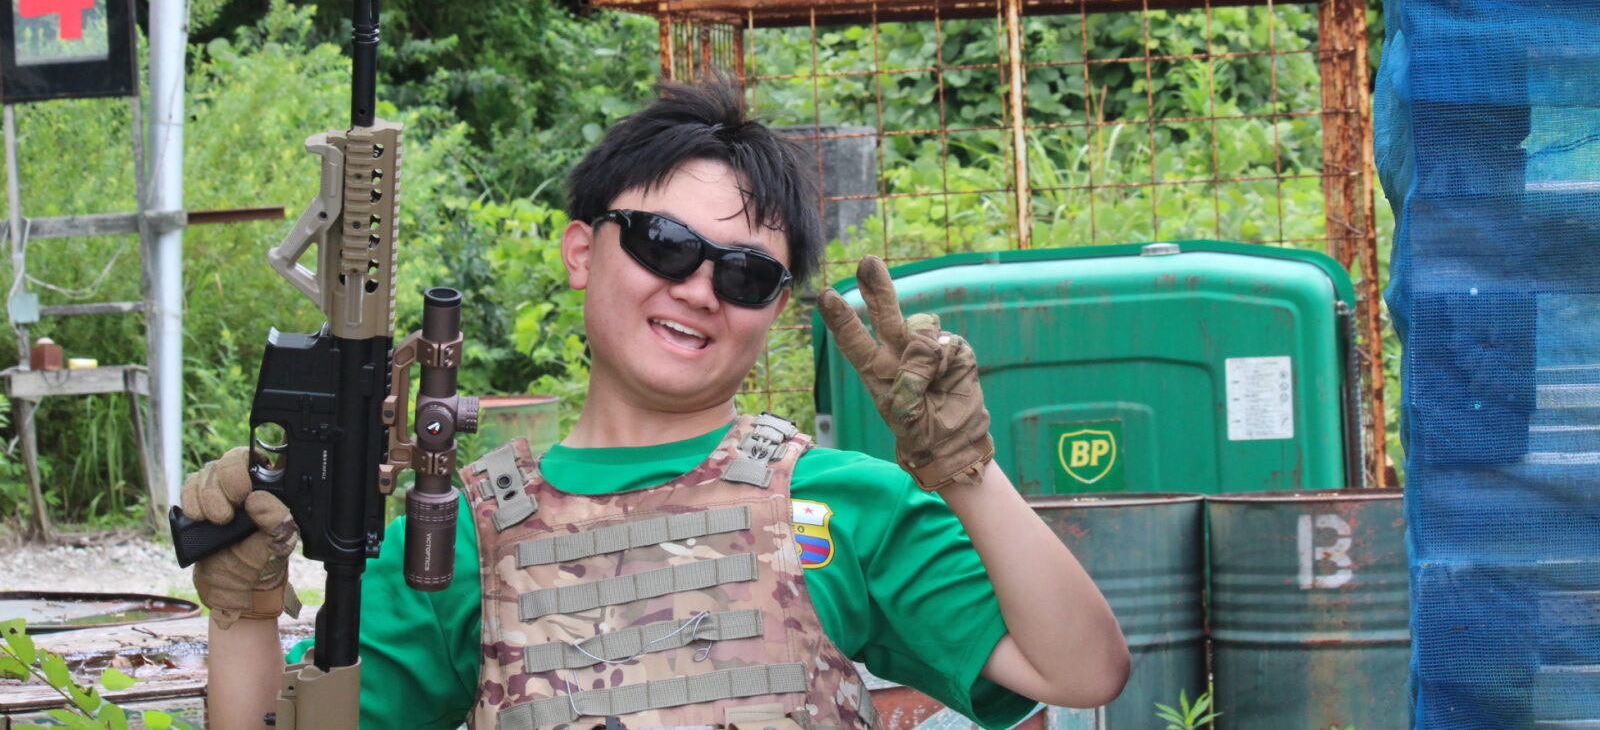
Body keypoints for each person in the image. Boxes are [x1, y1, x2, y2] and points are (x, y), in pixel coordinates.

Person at [188, 79, 1129, 730]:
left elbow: (1081, 671)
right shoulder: (462, 534)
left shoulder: (846, 502)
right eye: (664, 243)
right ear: (581, 251)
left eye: (746, 274)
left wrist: (966, 471)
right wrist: (242, 610)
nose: (699, 288)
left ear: (775, 311)